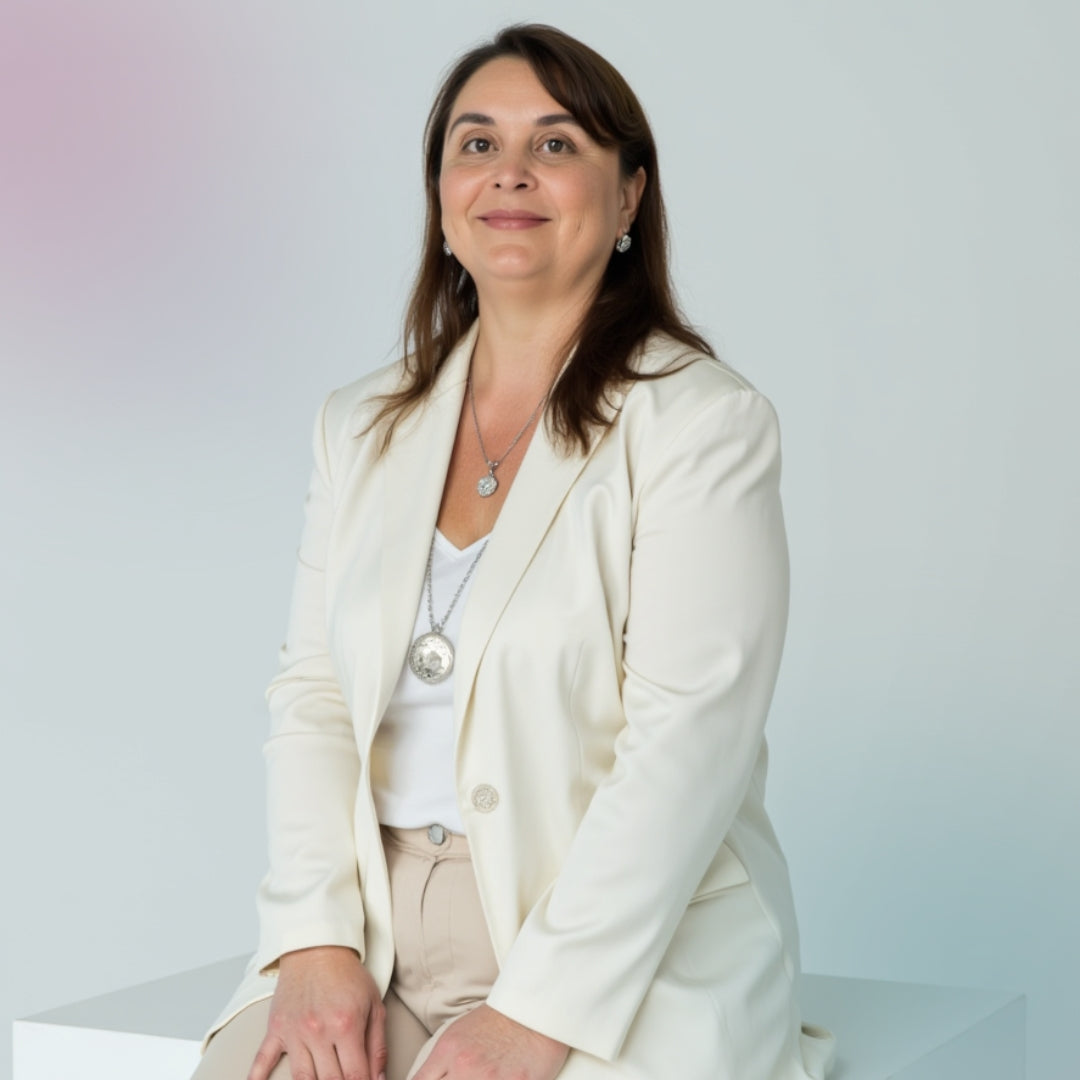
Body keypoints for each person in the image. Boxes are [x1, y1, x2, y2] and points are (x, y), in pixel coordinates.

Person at [191, 22, 836, 1080]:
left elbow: (687, 746)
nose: (511, 173)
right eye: (478, 144)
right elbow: (314, 697)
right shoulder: (360, 427)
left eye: (557, 143)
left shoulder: (701, 425)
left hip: (616, 947)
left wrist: (536, 1010)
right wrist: (314, 941)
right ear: (443, 198)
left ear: (628, 198)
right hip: (377, 931)